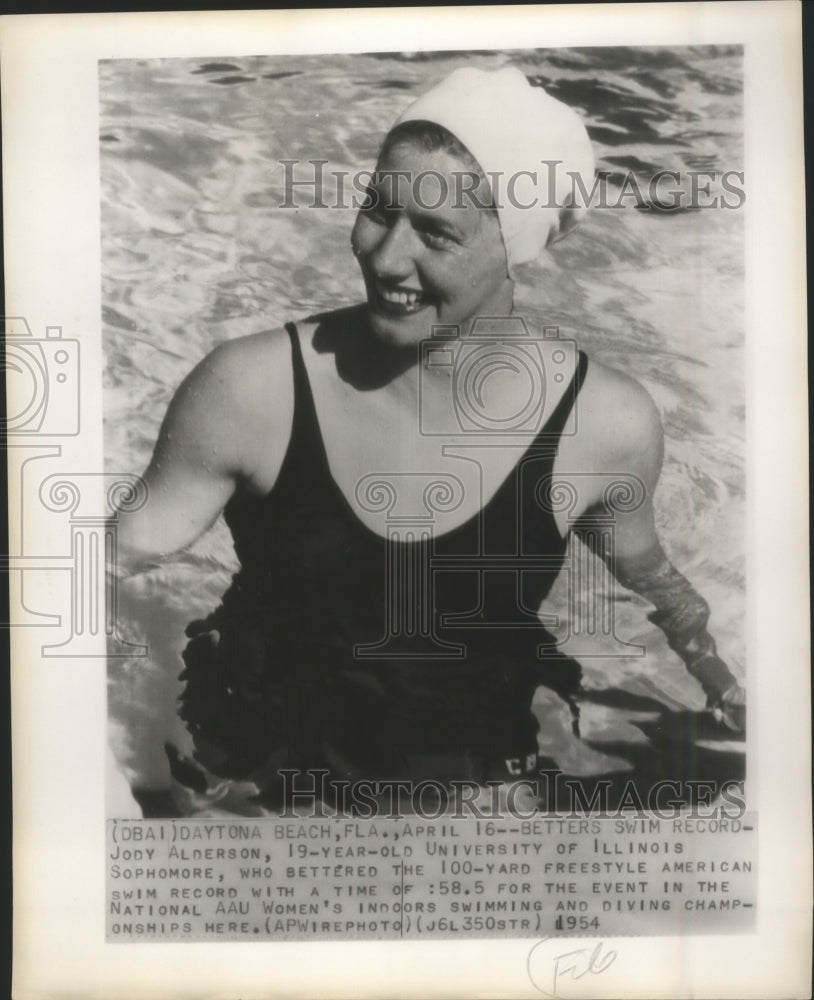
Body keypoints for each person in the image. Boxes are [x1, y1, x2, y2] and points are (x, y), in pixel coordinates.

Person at [114, 67, 745, 815]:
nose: (384, 257)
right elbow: (105, 567)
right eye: (379, 210)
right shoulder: (253, 391)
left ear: (517, 245)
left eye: (436, 233)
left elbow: (651, 576)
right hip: (246, 759)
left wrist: (722, 687)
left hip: (475, 774)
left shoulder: (602, 426)